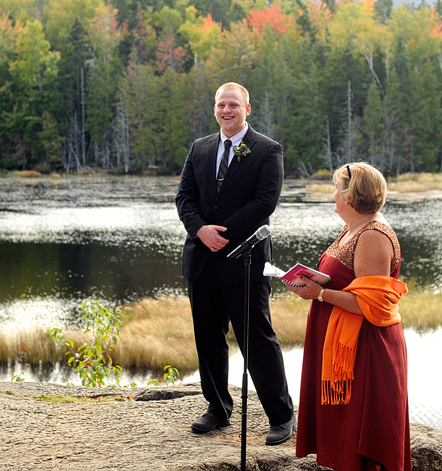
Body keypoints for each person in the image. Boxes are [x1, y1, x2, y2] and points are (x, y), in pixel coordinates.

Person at [176, 82, 296, 446]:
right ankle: (217, 408)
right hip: (202, 260)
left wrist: (221, 233)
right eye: (220, 105)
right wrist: (200, 231)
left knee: (257, 339)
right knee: (208, 339)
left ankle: (281, 415)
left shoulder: (266, 149)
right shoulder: (200, 147)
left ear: (247, 108)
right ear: (215, 108)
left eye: (233, 105)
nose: (226, 110)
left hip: (243, 260)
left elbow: (264, 203)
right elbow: (184, 196)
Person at [286, 163, 410, 471]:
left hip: (367, 349)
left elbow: (372, 303)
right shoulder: (353, 227)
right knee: (343, 429)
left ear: (350, 196)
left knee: (362, 434)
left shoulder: (373, 236)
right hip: (345, 344)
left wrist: (319, 294)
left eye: (336, 188)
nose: (333, 194)